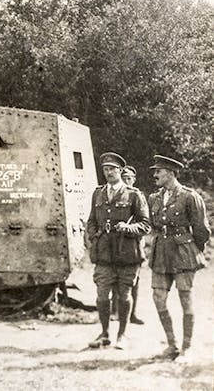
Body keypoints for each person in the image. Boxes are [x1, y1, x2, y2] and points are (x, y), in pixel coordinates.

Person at [147, 155, 210, 362]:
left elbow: (201, 230)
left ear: (171, 173)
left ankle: (187, 347)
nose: (155, 175)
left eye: (159, 171)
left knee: (185, 298)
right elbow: (155, 226)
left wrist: (193, 250)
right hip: (161, 253)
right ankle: (172, 344)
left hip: (183, 253)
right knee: (158, 298)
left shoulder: (189, 197)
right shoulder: (154, 198)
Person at [85, 152, 150, 349]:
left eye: (112, 169)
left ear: (120, 171)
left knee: (124, 295)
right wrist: (94, 235)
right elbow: (91, 221)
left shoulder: (134, 195)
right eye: (105, 169)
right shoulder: (98, 193)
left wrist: (128, 228)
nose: (108, 172)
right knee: (102, 295)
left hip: (127, 253)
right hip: (104, 254)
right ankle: (104, 333)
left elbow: (146, 225)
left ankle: (122, 335)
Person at [118, 165, 144, 325]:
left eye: (129, 178)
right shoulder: (115, 196)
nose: (127, 181)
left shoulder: (138, 196)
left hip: (134, 243)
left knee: (135, 281)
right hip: (117, 244)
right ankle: (116, 312)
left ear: (134, 180)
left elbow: (146, 222)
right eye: (124, 178)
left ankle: (133, 313)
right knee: (115, 277)